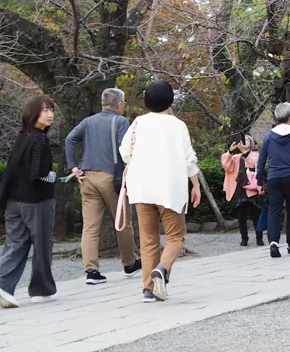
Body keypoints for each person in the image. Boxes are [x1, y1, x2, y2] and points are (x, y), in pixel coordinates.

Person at [119, 80, 201, 303]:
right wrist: (195, 184)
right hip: (169, 188)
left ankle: (148, 289)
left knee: (148, 240)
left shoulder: (137, 123)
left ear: (146, 101)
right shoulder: (177, 125)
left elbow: (125, 152)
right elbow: (189, 158)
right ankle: (162, 269)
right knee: (175, 236)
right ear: (170, 100)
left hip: (141, 188)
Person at [0, 95, 59, 308]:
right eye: (44, 110)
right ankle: (41, 290)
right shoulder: (40, 139)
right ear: (33, 113)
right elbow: (37, 173)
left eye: (51, 110)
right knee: (42, 245)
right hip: (37, 202)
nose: (49, 114)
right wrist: (52, 176)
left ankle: (1, 285)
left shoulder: (23, 136)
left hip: (14, 201)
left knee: (15, 243)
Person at [64, 87, 140, 284]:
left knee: (90, 227)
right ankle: (129, 264)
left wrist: (74, 167)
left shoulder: (88, 121)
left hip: (87, 177)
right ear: (120, 104)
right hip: (111, 178)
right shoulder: (120, 121)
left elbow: (70, 139)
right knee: (122, 222)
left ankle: (91, 271)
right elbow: (125, 150)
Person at [255, 102, 290, 258]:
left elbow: (261, 160)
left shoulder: (269, 136)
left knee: (274, 209)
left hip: (273, 178)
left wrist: (259, 181)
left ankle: (273, 243)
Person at [222, 134, 265, 246]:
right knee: (241, 215)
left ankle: (259, 237)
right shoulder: (237, 157)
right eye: (242, 140)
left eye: (246, 140)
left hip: (252, 189)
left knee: (256, 214)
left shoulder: (256, 155)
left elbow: (253, 164)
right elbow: (226, 166)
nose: (243, 142)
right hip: (239, 189)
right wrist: (230, 151)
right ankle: (244, 238)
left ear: (251, 144)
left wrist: (245, 152)